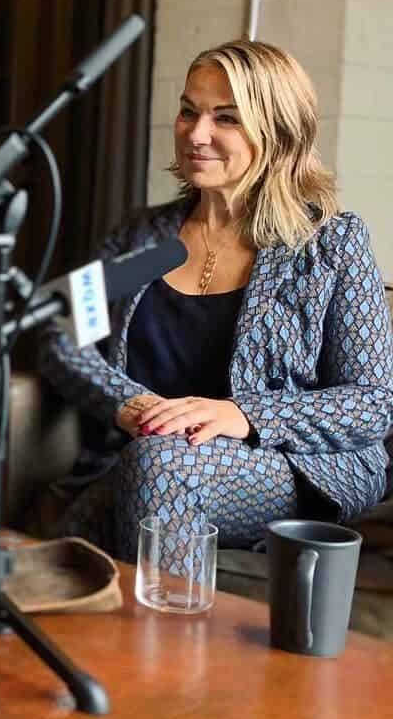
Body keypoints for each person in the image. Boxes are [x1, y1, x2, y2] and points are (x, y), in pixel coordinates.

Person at [39, 39, 393, 570]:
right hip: (145, 457)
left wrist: (241, 414)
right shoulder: (145, 240)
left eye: (226, 118)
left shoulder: (328, 244)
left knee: (150, 473)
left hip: (293, 465)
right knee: (83, 536)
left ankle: (157, 626)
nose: (196, 133)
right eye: (189, 111)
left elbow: (372, 402)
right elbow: (60, 326)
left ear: (278, 133)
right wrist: (130, 404)